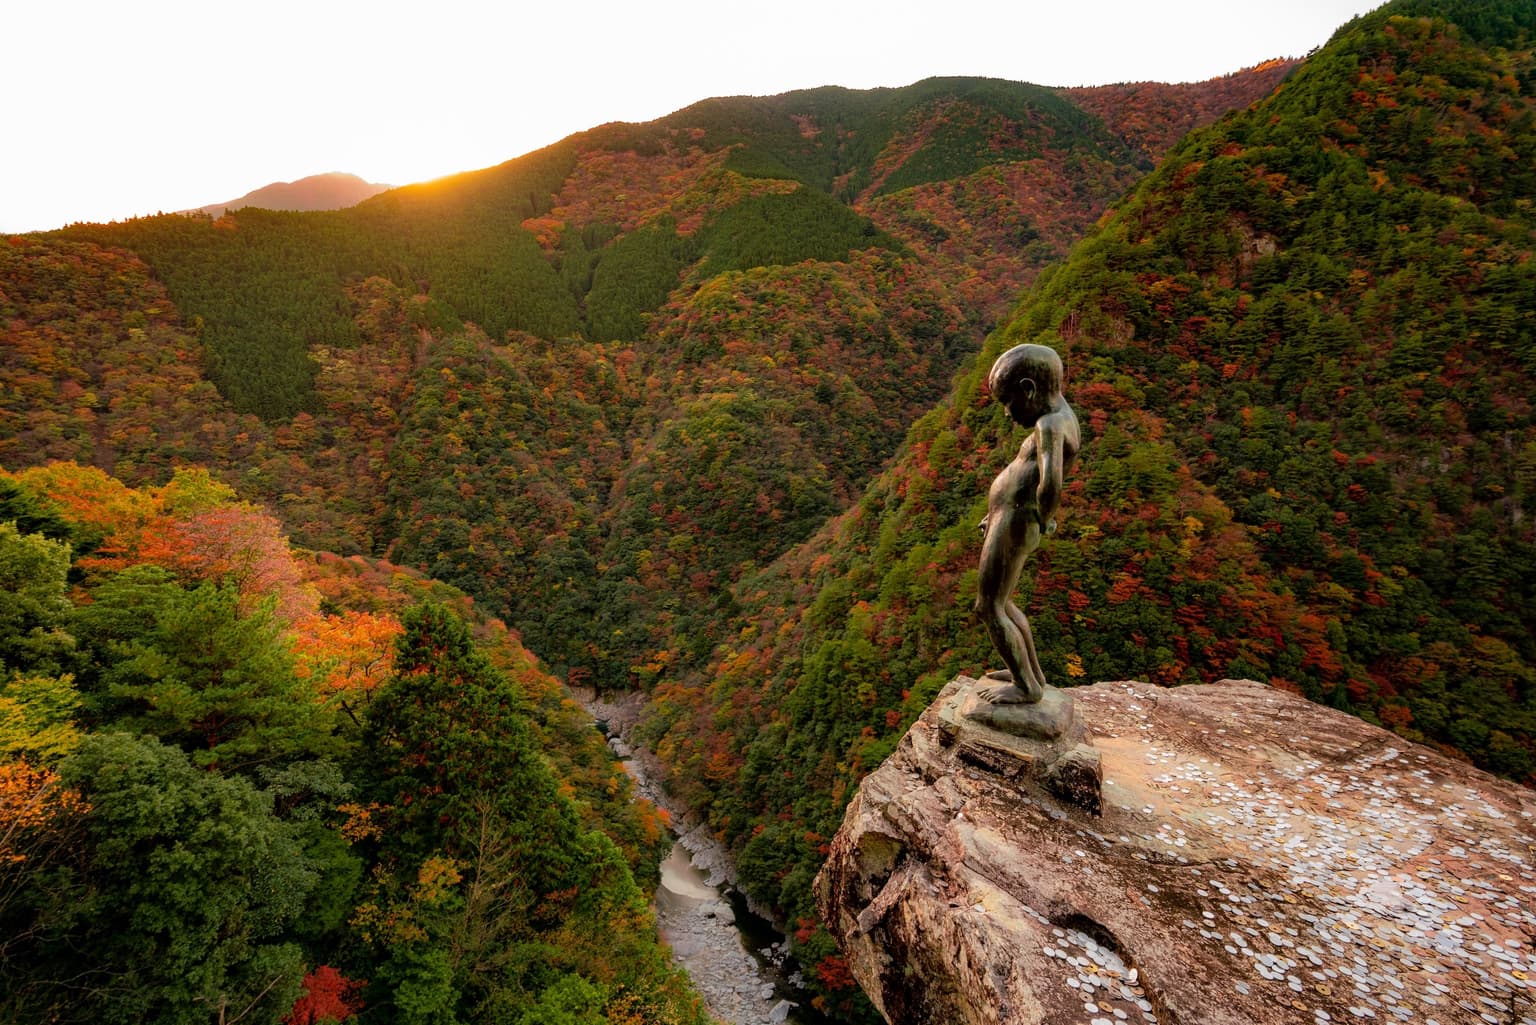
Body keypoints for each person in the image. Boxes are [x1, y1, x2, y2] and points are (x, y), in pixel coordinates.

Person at [973, 343, 1080, 704]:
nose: (1006, 413)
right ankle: (1030, 671)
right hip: (1011, 518)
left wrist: (1042, 518)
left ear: (1029, 390)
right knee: (1004, 601)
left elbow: (1051, 483)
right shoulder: (1060, 416)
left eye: (1008, 402)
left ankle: (1026, 688)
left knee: (988, 606)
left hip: (1017, 522)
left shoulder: (1049, 426)